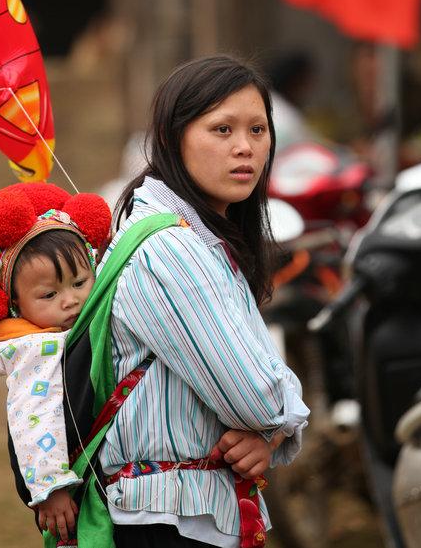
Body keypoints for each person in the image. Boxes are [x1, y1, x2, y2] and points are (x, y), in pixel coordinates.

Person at [100, 54, 310, 548]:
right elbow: (254, 395)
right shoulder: (168, 249)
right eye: (222, 130)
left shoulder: (203, 238)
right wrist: (282, 419)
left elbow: (256, 394)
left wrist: (270, 432)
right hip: (166, 522)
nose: (245, 147)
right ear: (173, 140)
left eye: (258, 130)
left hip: (189, 513)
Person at [0, 182, 112, 544]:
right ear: (16, 305)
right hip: (68, 494)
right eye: (49, 294)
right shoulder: (35, 349)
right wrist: (50, 489)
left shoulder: (79, 323)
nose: (71, 300)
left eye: (80, 282)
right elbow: (33, 416)